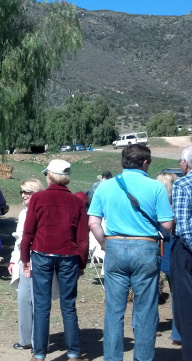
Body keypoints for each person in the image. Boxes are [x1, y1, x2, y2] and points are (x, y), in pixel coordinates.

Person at [88, 144, 173, 361]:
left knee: (114, 311)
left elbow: (93, 222)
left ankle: (113, 358)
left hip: (115, 246)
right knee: (145, 310)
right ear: (145, 163)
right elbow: (167, 225)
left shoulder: (105, 187)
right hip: (145, 247)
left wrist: (104, 243)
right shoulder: (156, 187)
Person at [20, 159, 89, 361]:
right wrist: (82, 264)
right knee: (68, 305)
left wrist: (25, 258)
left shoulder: (38, 199)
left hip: (41, 254)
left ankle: (39, 354)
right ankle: (75, 353)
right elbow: (82, 239)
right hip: (69, 256)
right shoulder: (77, 202)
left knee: (42, 305)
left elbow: (28, 232)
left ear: (50, 176)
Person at [9, 179, 45, 351]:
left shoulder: (42, 211)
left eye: (27, 192)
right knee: (23, 299)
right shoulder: (23, 213)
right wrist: (13, 259)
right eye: (22, 192)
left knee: (38, 300)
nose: (23, 195)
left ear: (36, 193)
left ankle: (37, 341)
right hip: (24, 259)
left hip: (39, 258)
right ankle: (26, 339)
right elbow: (19, 240)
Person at [171, 145, 192, 359]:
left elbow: (184, 226)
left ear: (185, 164)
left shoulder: (183, 185)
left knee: (186, 309)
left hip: (187, 251)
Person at [155, 171, 180, 346]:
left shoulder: (153, 203)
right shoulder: (175, 206)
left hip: (153, 246)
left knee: (147, 289)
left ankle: (144, 325)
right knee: (177, 291)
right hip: (172, 248)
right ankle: (178, 332)